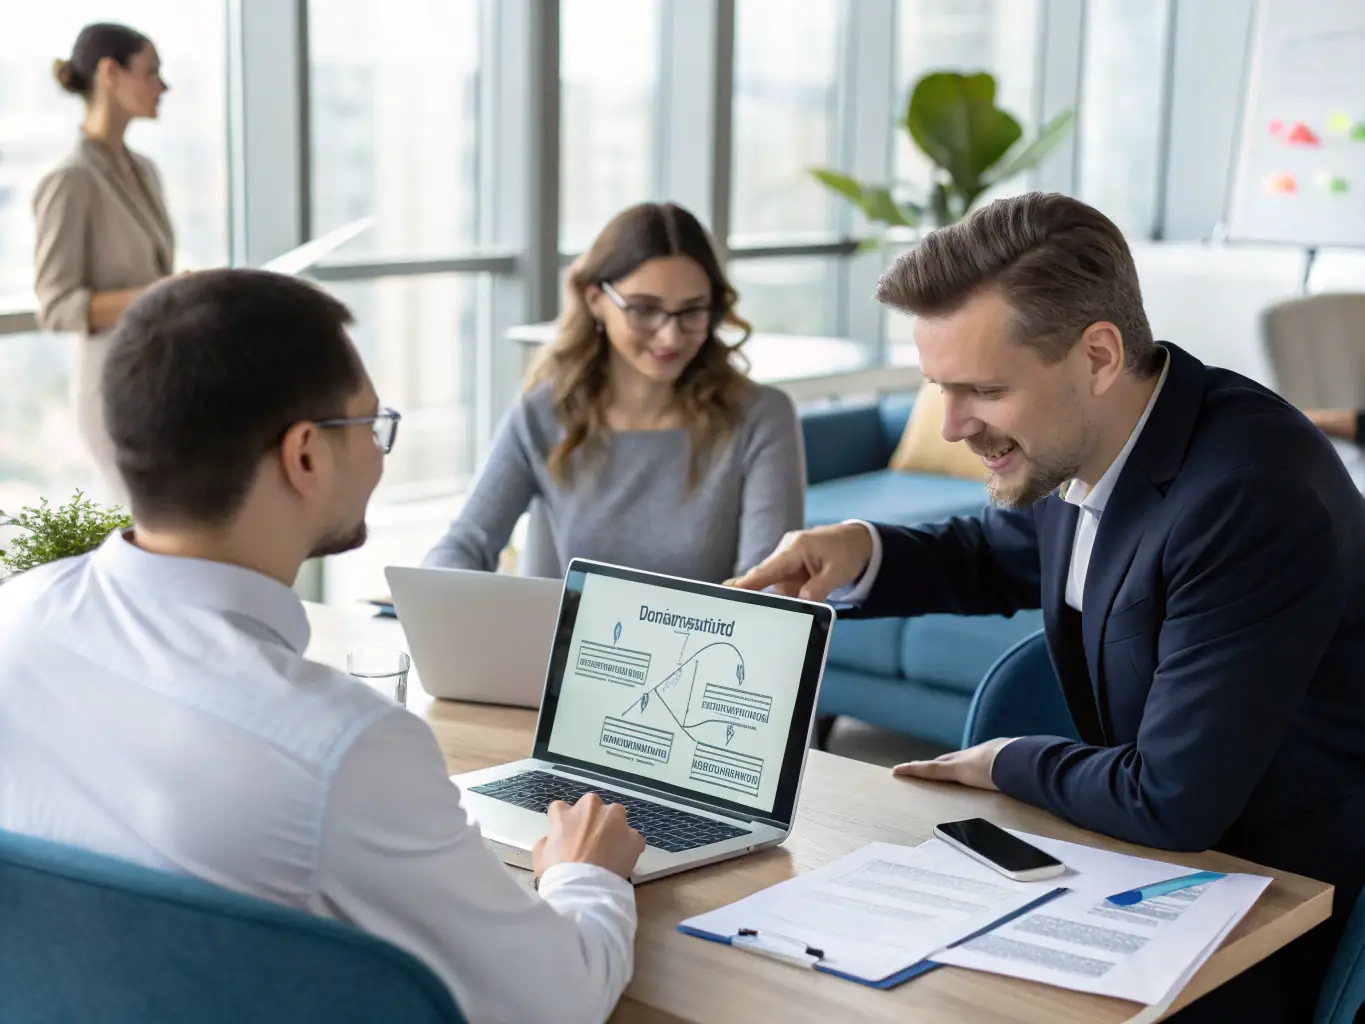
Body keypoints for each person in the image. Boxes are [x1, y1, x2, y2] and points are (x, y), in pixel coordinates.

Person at [731, 193, 1365, 1023]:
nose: (952, 426)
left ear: (1097, 354)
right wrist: (861, 547)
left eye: (981, 390)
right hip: (1140, 866)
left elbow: (1171, 799)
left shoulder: (1248, 494)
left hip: (1267, 903)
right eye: (938, 390)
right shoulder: (1105, 434)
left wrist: (1000, 761)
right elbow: (1000, 552)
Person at [0, 269, 645, 1024]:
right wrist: (582, 875)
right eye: (369, 426)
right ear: (304, 455)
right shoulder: (340, 748)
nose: (378, 452)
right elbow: (557, 1003)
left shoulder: (18, 615)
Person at [424, 202, 805, 582]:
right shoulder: (545, 411)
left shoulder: (761, 417)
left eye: (692, 311)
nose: (670, 335)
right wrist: (444, 595)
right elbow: (463, 544)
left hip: (710, 645)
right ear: (595, 300)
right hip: (567, 644)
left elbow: (767, 593)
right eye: (643, 309)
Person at [33, 22, 177, 506]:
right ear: (110, 73)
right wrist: (165, 292)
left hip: (161, 380)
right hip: (112, 389)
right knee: (147, 523)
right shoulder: (70, 180)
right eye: (152, 71)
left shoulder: (145, 172)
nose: (163, 85)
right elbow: (56, 307)